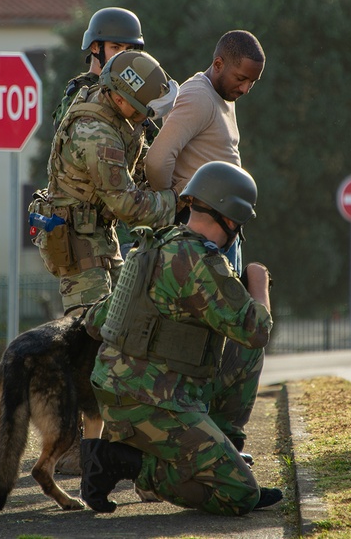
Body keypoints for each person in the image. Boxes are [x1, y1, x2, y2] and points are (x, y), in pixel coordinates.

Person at [79, 161, 280, 516]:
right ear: (232, 222)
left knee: (240, 352)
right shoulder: (201, 261)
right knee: (240, 494)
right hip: (151, 402)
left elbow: (95, 321)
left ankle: (223, 451)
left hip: (119, 391)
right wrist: (259, 281)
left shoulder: (156, 246)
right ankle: (123, 463)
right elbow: (257, 330)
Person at [32, 49, 178, 318]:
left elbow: (139, 162)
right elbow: (127, 205)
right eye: (143, 109)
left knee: (128, 318)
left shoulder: (114, 112)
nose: (146, 118)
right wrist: (175, 201)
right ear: (120, 99)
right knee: (90, 333)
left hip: (99, 234)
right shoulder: (98, 135)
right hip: (78, 245)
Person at [144, 29, 265, 271]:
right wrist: (174, 204)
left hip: (222, 232)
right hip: (204, 236)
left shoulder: (221, 96)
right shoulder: (199, 96)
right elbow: (157, 161)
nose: (245, 89)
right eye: (241, 79)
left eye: (252, 82)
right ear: (218, 64)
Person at [51, 7, 146, 129]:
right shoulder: (82, 92)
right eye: (116, 48)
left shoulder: (132, 91)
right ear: (95, 47)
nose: (123, 55)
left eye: (129, 49)